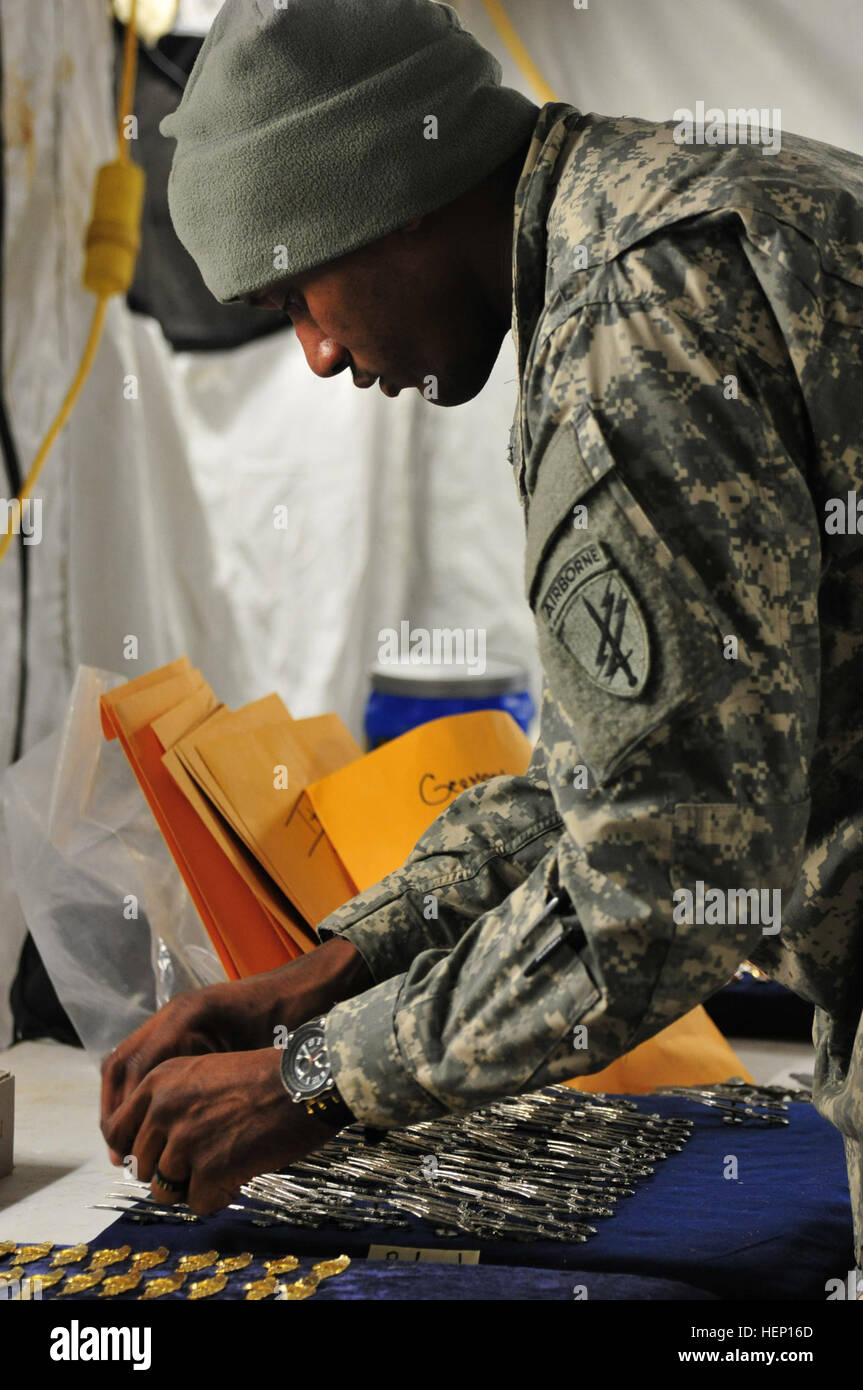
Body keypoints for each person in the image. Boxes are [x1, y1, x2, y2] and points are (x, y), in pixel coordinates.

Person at [101, 0, 863, 1270]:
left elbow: (658, 874)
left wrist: (305, 1082)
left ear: (394, 187)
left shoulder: (637, 320)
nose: (321, 353)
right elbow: (612, 783)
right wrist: (330, 971)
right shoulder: (675, 212)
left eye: (300, 291)